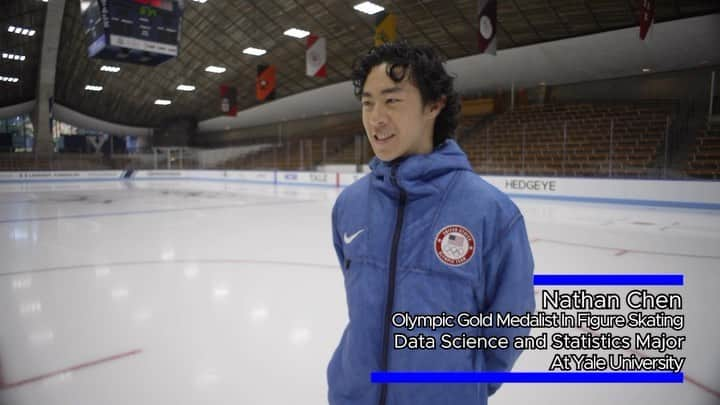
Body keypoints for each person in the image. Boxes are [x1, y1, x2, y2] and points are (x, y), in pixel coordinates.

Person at [327, 41, 535, 405]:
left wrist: (461, 387)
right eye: (368, 102)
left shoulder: (492, 213)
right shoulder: (350, 205)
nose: (375, 118)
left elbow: (510, 325)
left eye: (392, 100)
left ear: (434, 105)